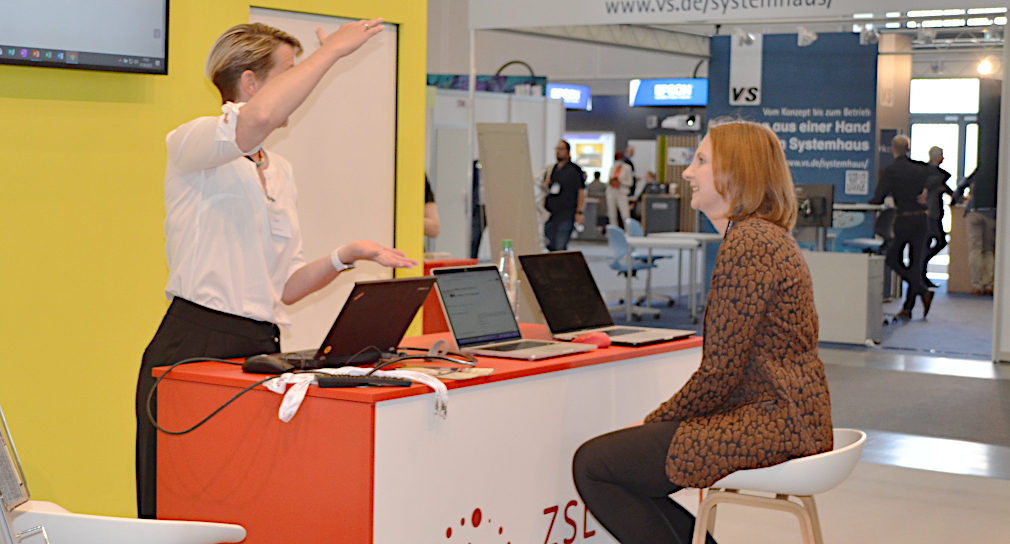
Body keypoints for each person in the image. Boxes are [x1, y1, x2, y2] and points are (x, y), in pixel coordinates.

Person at [135, 20, 418, 519]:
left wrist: (345, 255)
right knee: (180, 504)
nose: (301, 87)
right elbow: (260, 116)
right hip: (194, 346)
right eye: (290, 72)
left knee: (243, 503)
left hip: (260, 348)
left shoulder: (280, 169)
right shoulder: (193, 142)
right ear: (249, 81)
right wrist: (331, 54)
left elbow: (285, 287)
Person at [572, 120, 832, 544]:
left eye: (701, 161)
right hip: (791, 417)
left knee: (595, 466)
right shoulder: (766, 237)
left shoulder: (749, 244)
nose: (688, 172)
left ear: (736, 172)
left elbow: (719, 374)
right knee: (627, 468)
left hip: (772, 423)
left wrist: (655, 422)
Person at [869, 135, 934, 320]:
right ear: (908, 149)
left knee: (892, 259)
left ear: (892, 149)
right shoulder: (920, 168)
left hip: (903, 219)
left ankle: (920, 294)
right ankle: (909, 306)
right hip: (921, 220)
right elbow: (943, 175)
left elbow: (878, 198)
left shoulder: (891, 171)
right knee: (916, 264)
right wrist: (928, 189)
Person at [954, 166, 998, 296]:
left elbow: (960, 188)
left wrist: (960, 200)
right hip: (991, 213)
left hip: (973, 211)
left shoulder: (977, 172)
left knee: (975, 249)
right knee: (989, 250)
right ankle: (988, 284)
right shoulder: (997, 173)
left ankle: (976, 284)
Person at [541, 140, 586, 251]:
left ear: (567, 151)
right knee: (549, 242)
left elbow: (581, 191)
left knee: (560, 245)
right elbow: (548, 188)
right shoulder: (553, 169)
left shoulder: (574, 170)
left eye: (561, 149)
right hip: (552, 214)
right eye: (557, 149)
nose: (558, 152)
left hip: (567, 213)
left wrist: (579, 212)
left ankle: (558, 267)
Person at [921, 147, 952, 288]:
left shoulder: (938, 176)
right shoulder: (932, 175)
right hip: (930, 214)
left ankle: (922, 269)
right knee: (937, 241)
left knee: (936, 242)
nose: (943, 158)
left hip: (935, 214)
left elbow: (947, 188)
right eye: (942, 155)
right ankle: (921, 269)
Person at [606, 151, 634, 229]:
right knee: (612, 214)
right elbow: (609, 180)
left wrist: (621, 182)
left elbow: (630, 182)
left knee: (625, 214)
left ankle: (629, 231)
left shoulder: (627, 168)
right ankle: (614, 231)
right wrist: (611, 181)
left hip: (622, 192)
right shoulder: (613, 167)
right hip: (612, 192)